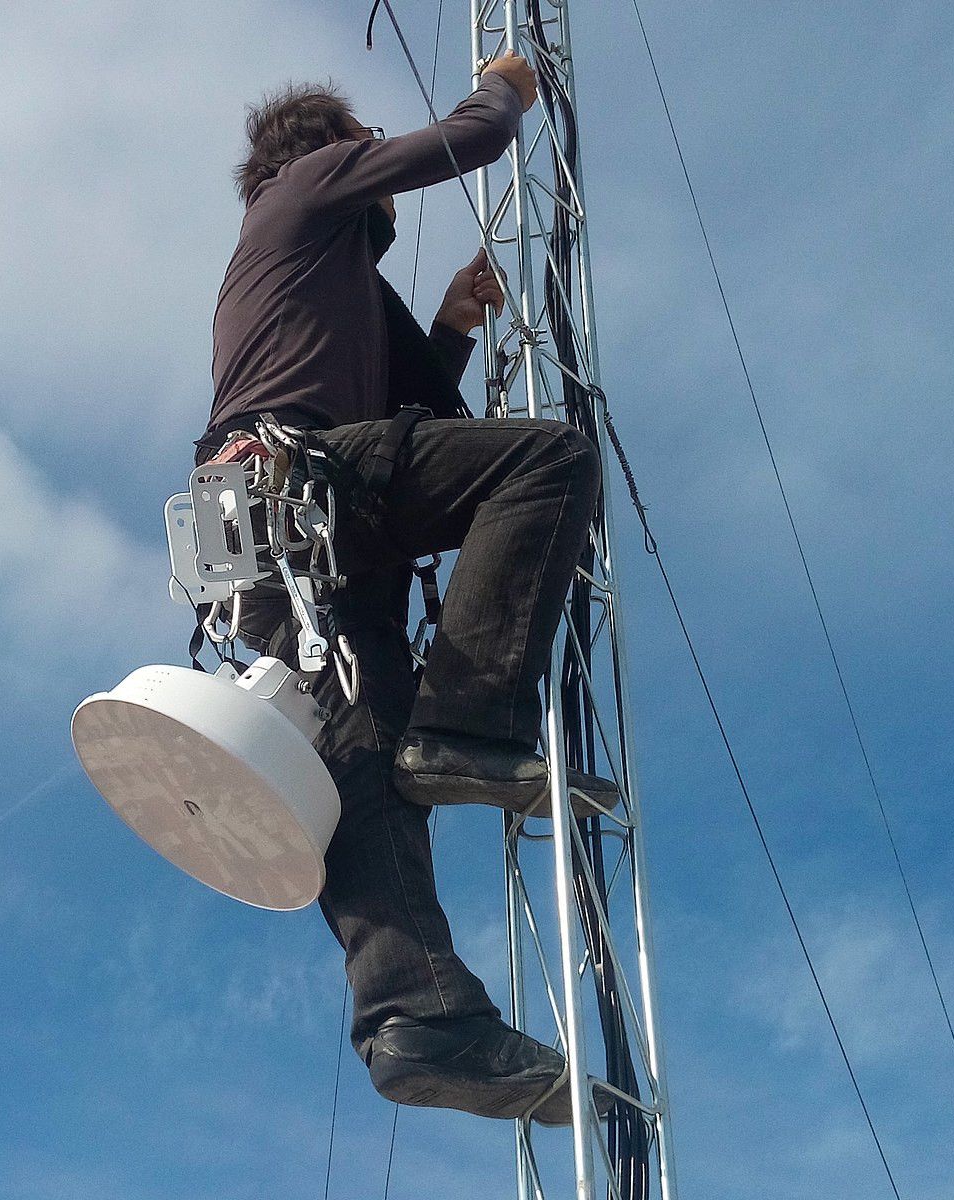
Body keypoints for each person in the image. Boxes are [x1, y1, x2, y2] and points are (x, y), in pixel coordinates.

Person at [194, 52, 612, 1123]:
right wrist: (509, 86)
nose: (373, 164)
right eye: (360, 146)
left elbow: (425, 410)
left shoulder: (334, 284)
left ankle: (415, 1018)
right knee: (546, 461)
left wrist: (450, 328)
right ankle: (470, 727)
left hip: (292, 540)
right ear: (326, 150)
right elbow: (473, 139)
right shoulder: (300, 190)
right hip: (306, 494)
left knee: (365, 754)